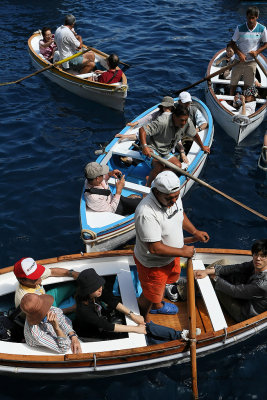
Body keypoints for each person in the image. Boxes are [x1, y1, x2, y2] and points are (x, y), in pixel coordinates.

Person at [134, 170, 210, 322]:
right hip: (153, 265)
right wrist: (182, 251)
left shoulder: (172, 197)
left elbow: (180, 214)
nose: (174, 200)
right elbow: (154, 248)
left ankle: (157, 305)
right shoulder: (146, 212)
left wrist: (195, 231)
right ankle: (145, 319)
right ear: (156, 191)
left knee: (159, 288)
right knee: (150, 294)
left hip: (171, 257)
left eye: (177, 196)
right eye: (170, 198)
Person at [194, 239, 267, 322]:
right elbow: (237, 268)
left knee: (212, 279)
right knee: (222, 263)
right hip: (245, 295)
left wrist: (215, 278)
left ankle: (181, 292)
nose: (258, 258)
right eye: (256, 254)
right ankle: (187, 287)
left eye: (263, 256)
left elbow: (235, 291)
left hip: (243, 312)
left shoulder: (262, 284)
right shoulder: (257, 263)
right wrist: (209, 271)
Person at [140, 104, 209, 186]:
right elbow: (142, 130)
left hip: (165, 151)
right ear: (174, 116)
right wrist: (145, 146)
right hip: (151, 148)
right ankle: (149, 183)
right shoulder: (162, 121)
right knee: (159, 166)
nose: (184, 123)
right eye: (181, 120)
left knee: (177, 166)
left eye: (185, 120)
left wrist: (202, 147)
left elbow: (194, 135)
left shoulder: (187, 122)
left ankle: (155, 176)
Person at [73, 268, 146, 339]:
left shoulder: (97, 293)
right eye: (95, 288)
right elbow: (106, 326)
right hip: (92, 333)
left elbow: (112, 300)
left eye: (100, 285)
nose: (100, 289)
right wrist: (136, 329)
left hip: (102, 321)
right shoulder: (83, 310)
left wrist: (132, 315)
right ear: (87, 291)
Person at [115, 97, 188, 164]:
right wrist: (135, 123)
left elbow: (177, 138)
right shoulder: (158, 114)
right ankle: (128, 142)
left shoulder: (174, 119)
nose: (166, 109)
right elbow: (148, 118)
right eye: (165, 106)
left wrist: (182, 154)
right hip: (155, 144)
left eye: (168, 107)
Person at [13, 257, 79, 313]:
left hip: (46, 299)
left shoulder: (29, 280)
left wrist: (73, 273)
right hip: (44, 315)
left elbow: (52, 272)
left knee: (74, 286)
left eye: (38, 272)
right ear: (22, 280)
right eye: (34, 277)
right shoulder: (26, 300)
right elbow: (45, 317)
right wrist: (73, 309)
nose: (40, 277)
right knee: (77, 314)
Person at [229, 6, 267, 96]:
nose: (250, 20)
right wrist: (240, 54)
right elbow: (232, 43)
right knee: (233, 83)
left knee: (248, 84)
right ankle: (231, 98)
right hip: (238, 61)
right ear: (246, 17)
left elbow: (266, 44)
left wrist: (257, 52)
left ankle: (245, 100)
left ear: (257, 17)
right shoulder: (239, 28)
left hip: (252, 62)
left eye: (253, 18)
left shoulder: (262, 29)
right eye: (249, 17)